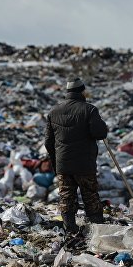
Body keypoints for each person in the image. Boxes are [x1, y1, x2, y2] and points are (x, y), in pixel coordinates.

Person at [44, 78, 108, 233]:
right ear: (82, 91)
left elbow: (48, 142)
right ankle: (98, 230)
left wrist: (57, 162)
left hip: (63, 165)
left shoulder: (53, 112)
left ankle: (70, 230)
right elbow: (100, 134)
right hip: (85, 164)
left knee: (66, 197)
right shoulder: (89, 110)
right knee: (90, 196)